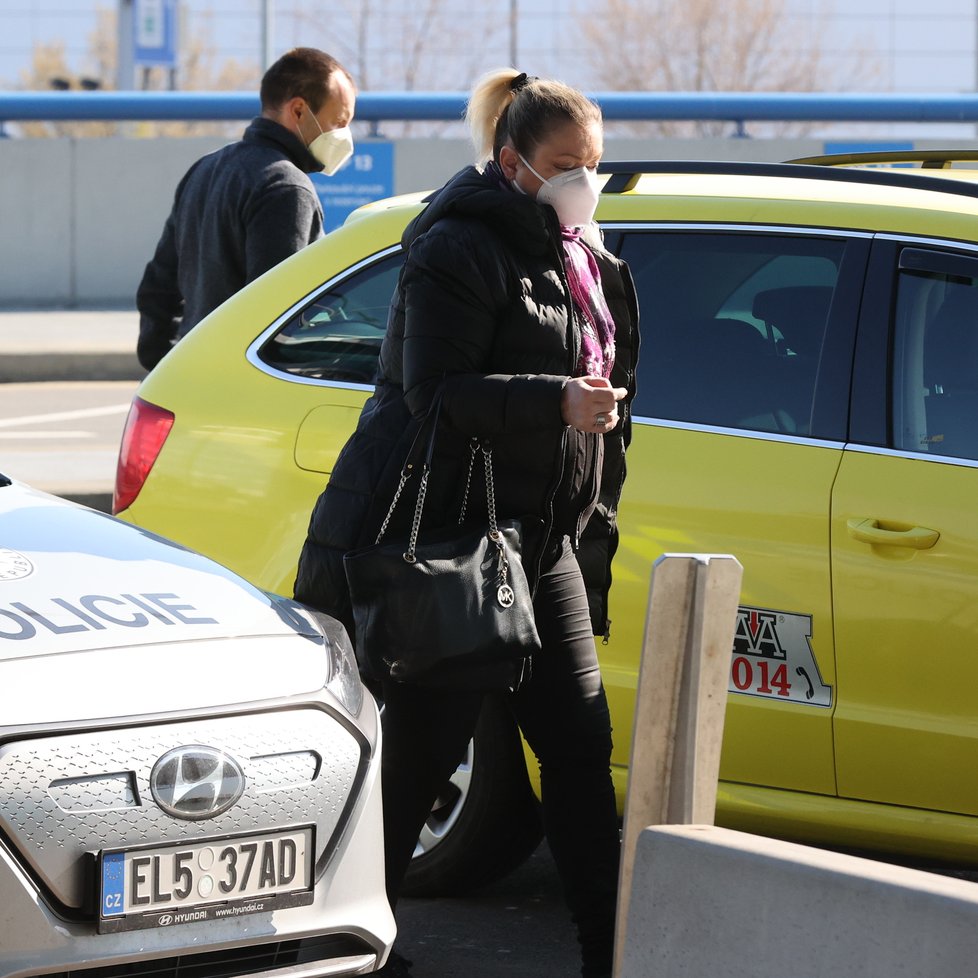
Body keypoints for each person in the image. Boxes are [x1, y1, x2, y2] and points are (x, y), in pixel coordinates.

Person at [294, 67, 639, 978]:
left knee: (578, 753)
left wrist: (588, 502)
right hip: (450, 541)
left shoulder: (590, 259)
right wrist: (555, 401)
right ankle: (361, 949)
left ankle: (612, 951)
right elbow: (432, 393)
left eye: (594, 165)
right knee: (416, 768)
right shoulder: (457, 246)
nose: (582, 182)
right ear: (511, 159)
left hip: (544, 543)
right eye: (565, 164)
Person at [135, 46, 356, 371]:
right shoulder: (286, 188)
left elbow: (158, 286)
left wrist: (164, 369)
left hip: (192, 379)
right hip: (241, 390)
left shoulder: (205, 169)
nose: (344, 136)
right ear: (298, 111)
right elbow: (278, 315)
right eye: (338, 122)